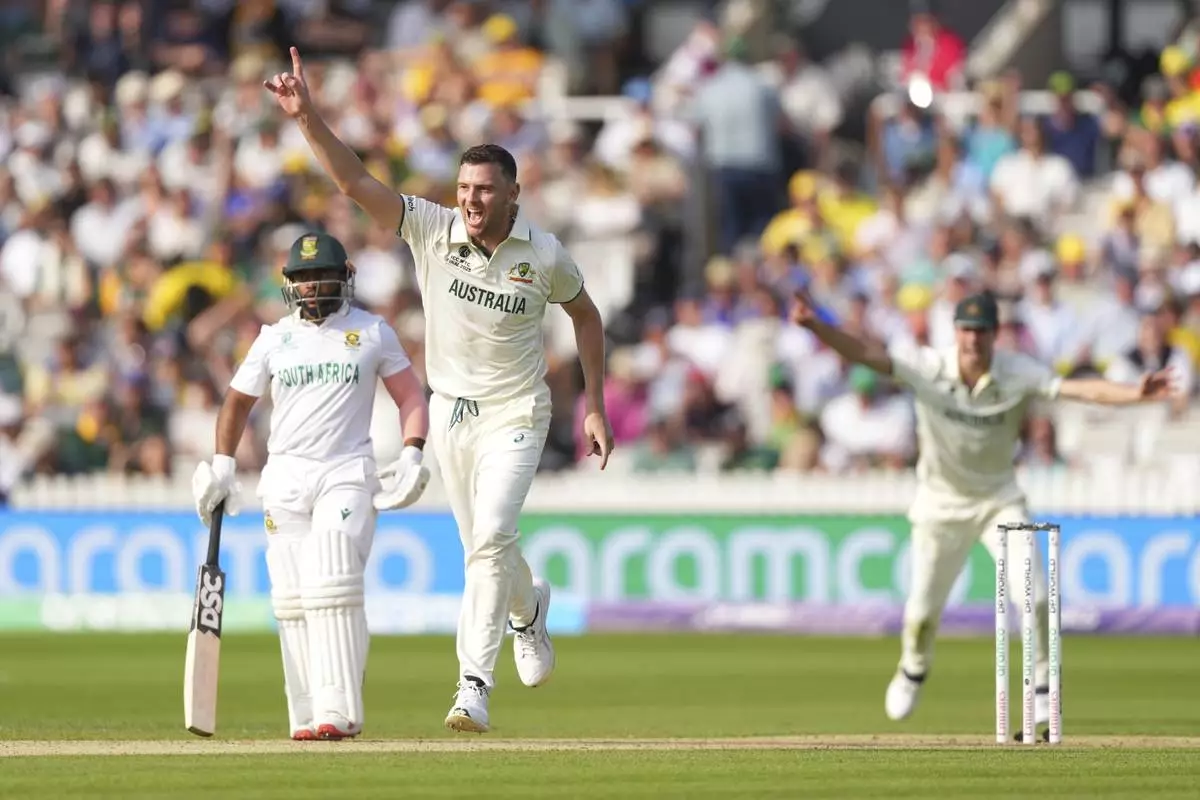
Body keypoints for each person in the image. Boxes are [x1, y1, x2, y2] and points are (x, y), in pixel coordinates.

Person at [264, 47, 614, 734]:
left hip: (518, 410)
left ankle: (472, 686)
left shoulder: (543, 253)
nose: (472, 201)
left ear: (513, 193)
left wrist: (595, 402)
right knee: (488, 546)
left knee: (488, 539)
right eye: (464, 189)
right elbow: (355, 184)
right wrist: (308, 119)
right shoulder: (432, 229)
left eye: (485, 190)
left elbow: (587, 315)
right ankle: (528, 610)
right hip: (452, 412)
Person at [788, 289, 1177, 727]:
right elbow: (865, 353)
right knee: (920, 613)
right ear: (956, 332)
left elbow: (1077, 389)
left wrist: (1133, 392)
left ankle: (1044, 685)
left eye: (981, 331)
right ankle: (913, 668)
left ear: (995, 334)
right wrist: (817, 326)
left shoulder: (1017, 371)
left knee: (1036, 595)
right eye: (966, 330)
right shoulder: (927, 366)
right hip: (940, 504)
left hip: (999, 500)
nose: (972, 340)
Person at [191, 231, 432, 741]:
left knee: (333, 574)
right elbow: (236, 403)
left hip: (346, 470)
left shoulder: (371, 331)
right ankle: (306, 711)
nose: (311, 286)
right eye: (301, 278)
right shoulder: (273, 338)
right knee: (293, 597)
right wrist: (222, 467)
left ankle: (339, 710)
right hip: (285, 475)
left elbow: (410, 394)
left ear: (344, 276)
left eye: (320, 275)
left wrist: (412, 450)